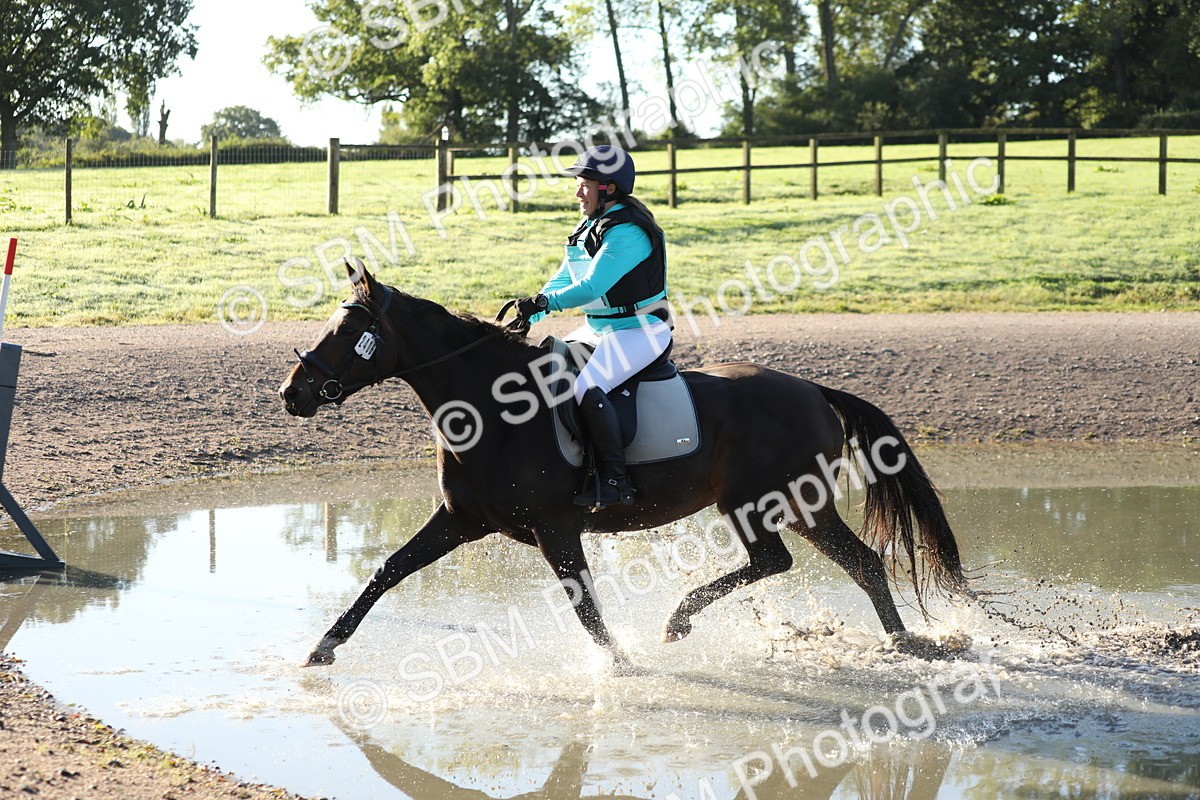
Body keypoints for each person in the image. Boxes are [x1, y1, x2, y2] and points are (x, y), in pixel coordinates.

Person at [515, 145, 672, 510]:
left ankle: (617, 480)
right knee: (543, 366)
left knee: (587, 385)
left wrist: (545, 304)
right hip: (599, 329)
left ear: (609, 189)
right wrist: (533, 310)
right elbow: (565, 277)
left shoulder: (628, 232)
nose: (577, 192)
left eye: (585, 184)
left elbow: (590, 287)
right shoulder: (590, 225)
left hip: (641, 330)